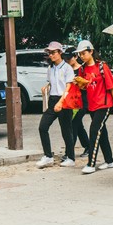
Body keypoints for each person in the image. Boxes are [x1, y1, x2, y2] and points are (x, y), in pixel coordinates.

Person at [75, 40, 113, 174]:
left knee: (94, 130)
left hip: (104, 104)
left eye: (84, 53)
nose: (82, 56)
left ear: (91, 52)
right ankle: (109, 160)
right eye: (80, 54)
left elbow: (112, 87)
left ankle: (91, 163)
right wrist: (80, 83)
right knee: (102, 133)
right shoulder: (82, 69)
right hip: (92, 105)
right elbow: (83, 87)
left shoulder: (102, 66)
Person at [36, 41, 77, 169]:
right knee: (43, 127)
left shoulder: (67, 68)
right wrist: (46, 86)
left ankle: (71, 157)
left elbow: (68, 86)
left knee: (66, 130)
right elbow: (51, 82)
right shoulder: (50, 68)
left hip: (64, 100)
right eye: (50, 53)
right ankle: (48, 156)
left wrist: (61, 102)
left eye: (53, 52)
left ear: (60, 53)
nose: (51, 55)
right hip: (53, 100)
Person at [62, 47, 89, 158]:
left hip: (82, 101)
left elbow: (87, 85)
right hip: (70, 102)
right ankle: (88, 146)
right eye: (66, 58)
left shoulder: (82, 69)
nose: (68, 60)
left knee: (73, 124)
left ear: (76, 57)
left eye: (70, 58)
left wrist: (79, 83)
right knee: (78, 125)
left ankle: (69, 153)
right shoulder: (66, 69)